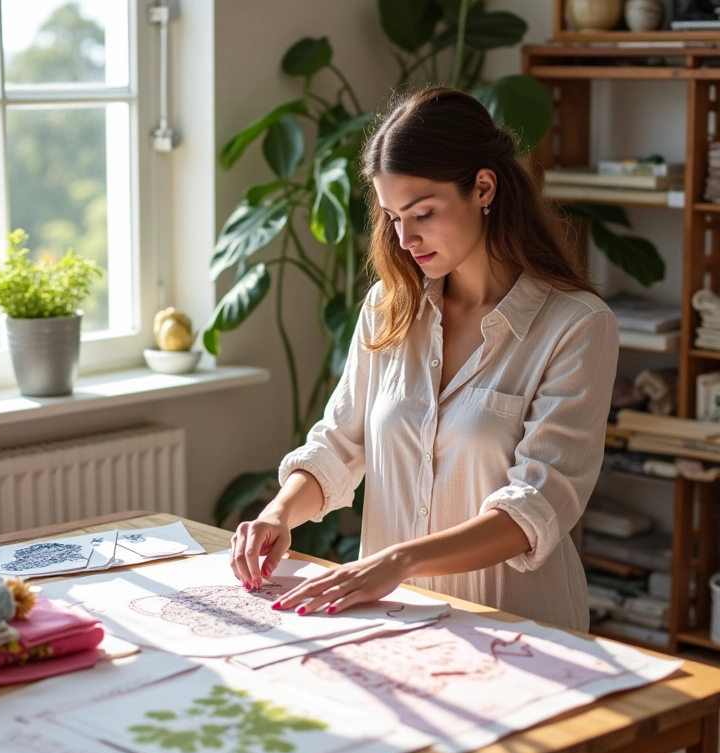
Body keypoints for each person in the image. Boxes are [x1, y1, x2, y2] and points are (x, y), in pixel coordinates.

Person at [229, 85, 618, 632]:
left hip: (519, 633)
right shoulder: (390, 310)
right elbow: (340, 444)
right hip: (394, 627)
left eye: (423, 213)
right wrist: (279, 512)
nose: (405, 238)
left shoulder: (576, 326)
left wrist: (398, 560)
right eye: (391, 217)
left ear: (483, 187)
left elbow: (534, 508)